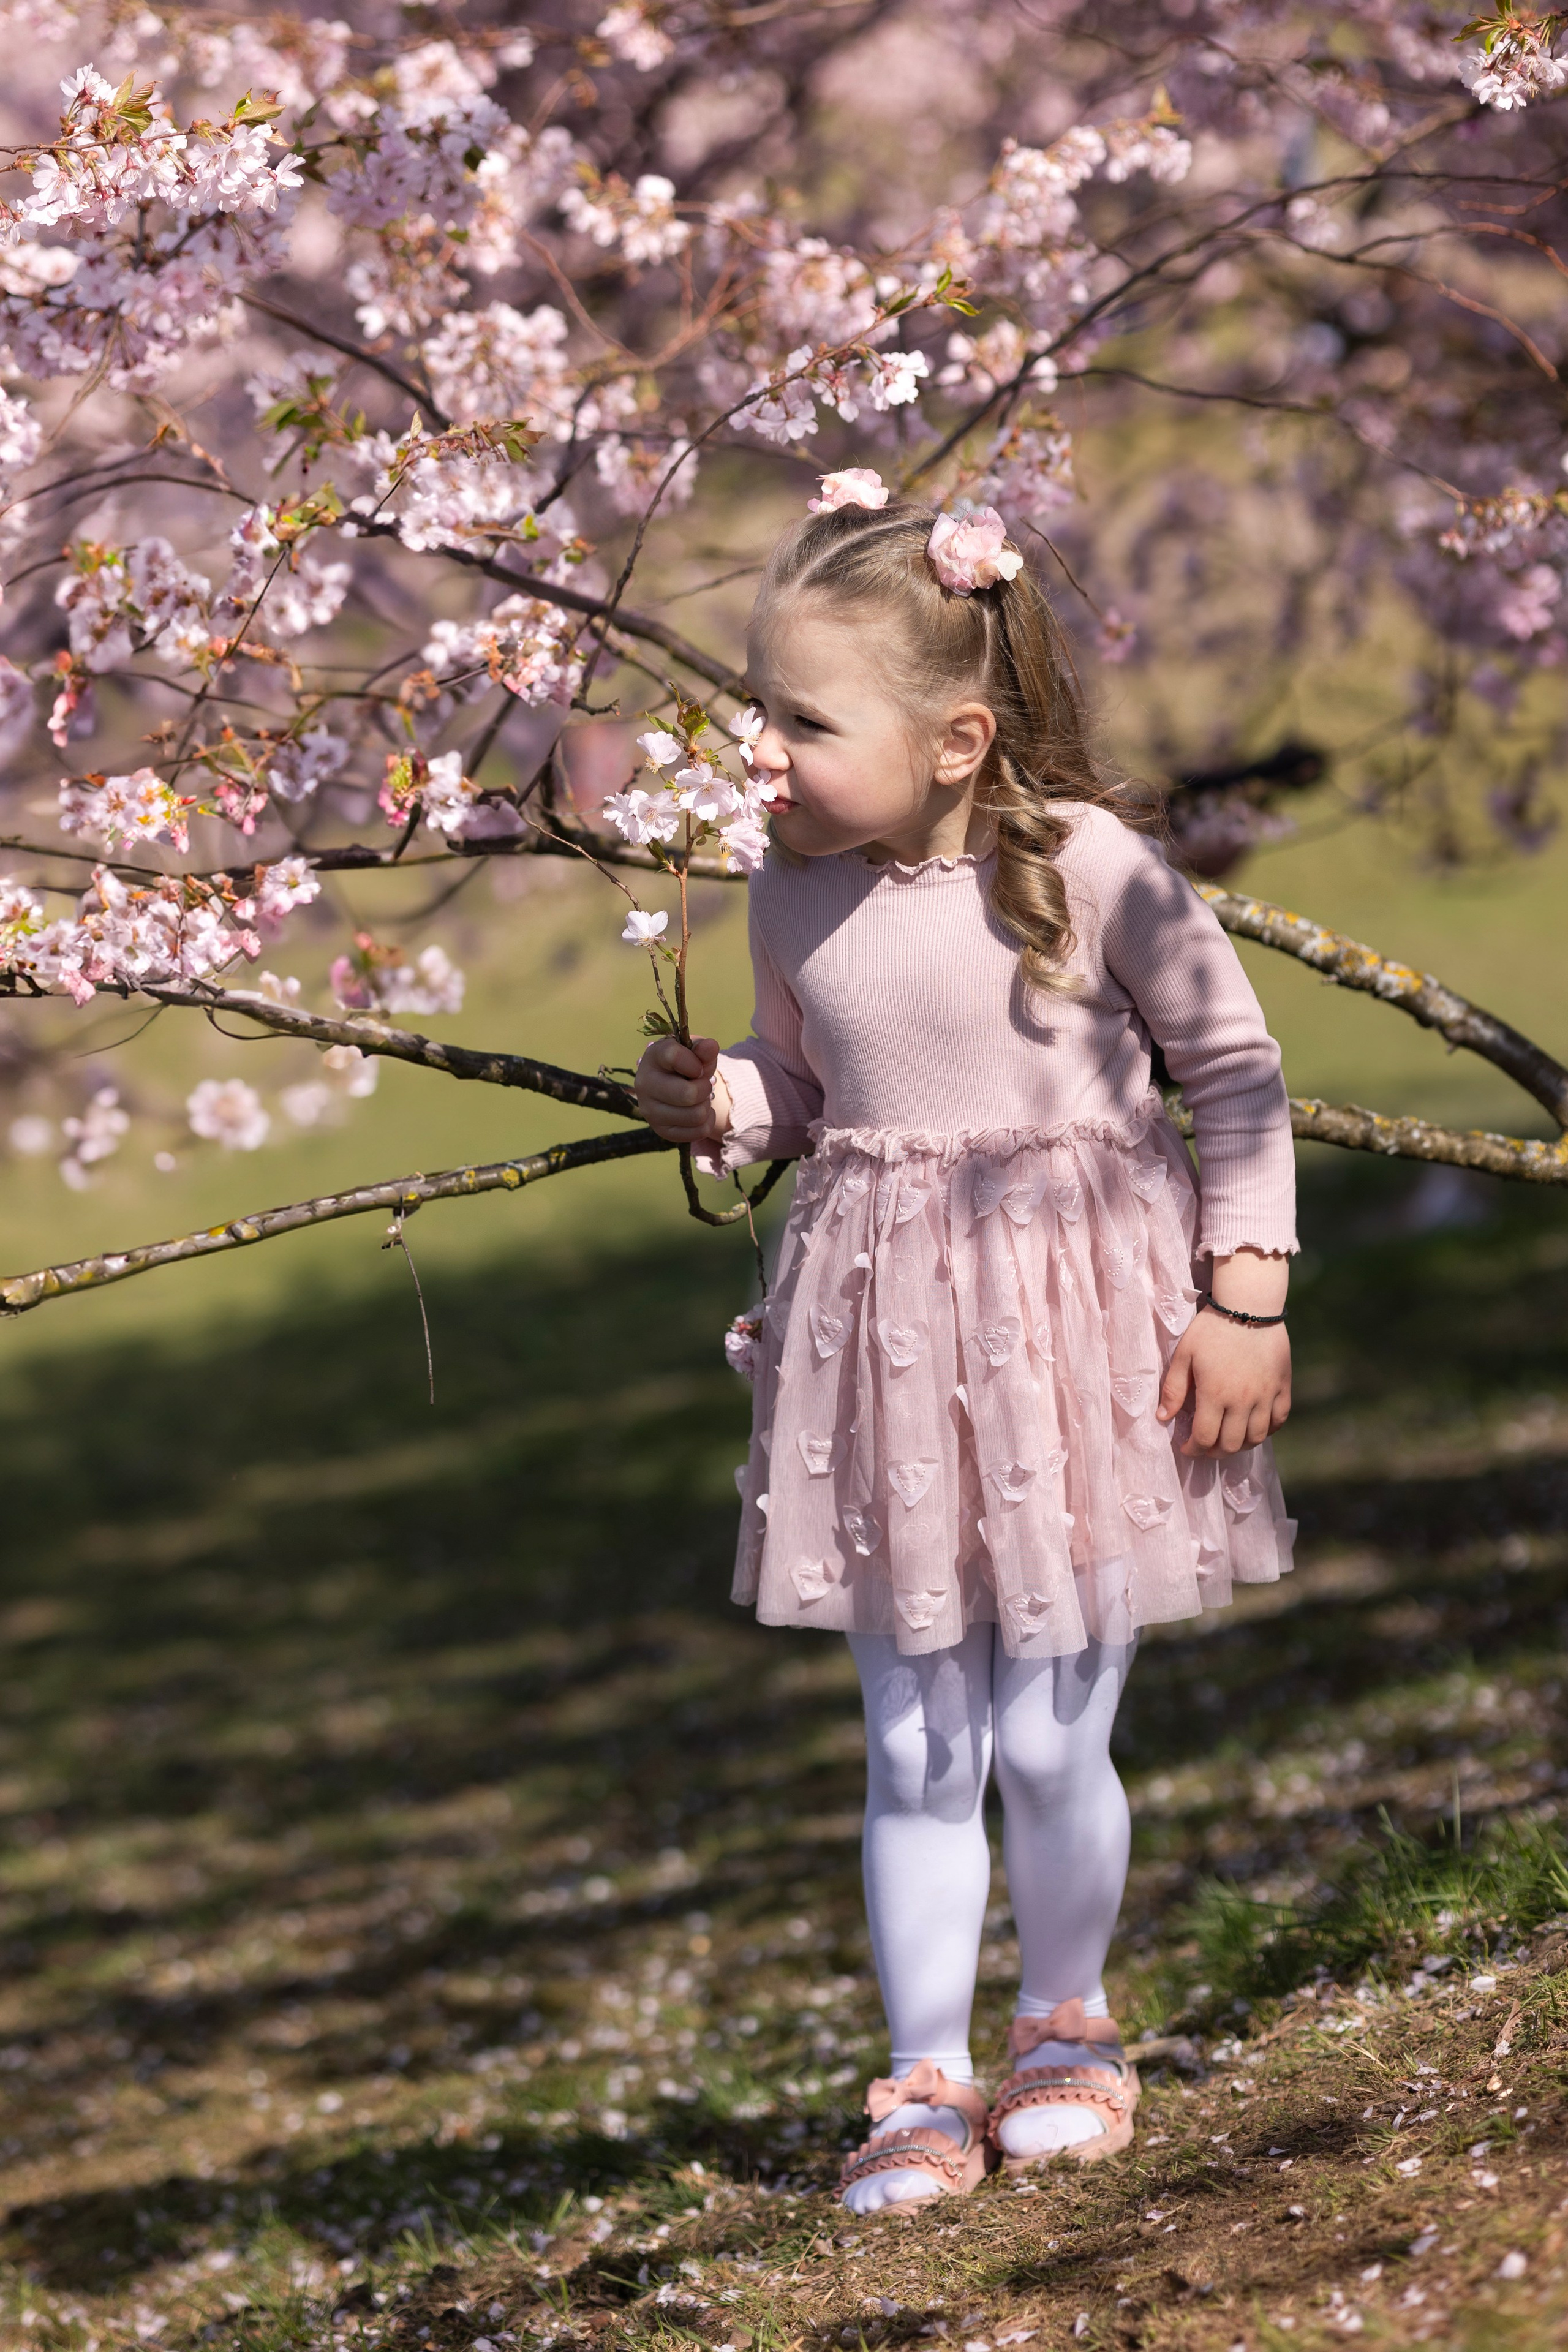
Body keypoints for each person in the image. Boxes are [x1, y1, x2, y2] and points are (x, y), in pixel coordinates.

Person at [635, 485, 1296, 2211]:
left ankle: (1067, 2024)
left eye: (801, 719)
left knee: (1049, 1735)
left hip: (1080, 1336)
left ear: (955, 738)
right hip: (884, 1344)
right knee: (919, 1743)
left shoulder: (1089, 871)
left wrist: (1248, 1296)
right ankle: (920, 2080)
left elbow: (1231, 1076)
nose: (762, 755)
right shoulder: (791, 891)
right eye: (759, 713)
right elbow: (811, 1093)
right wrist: (721, 1100)